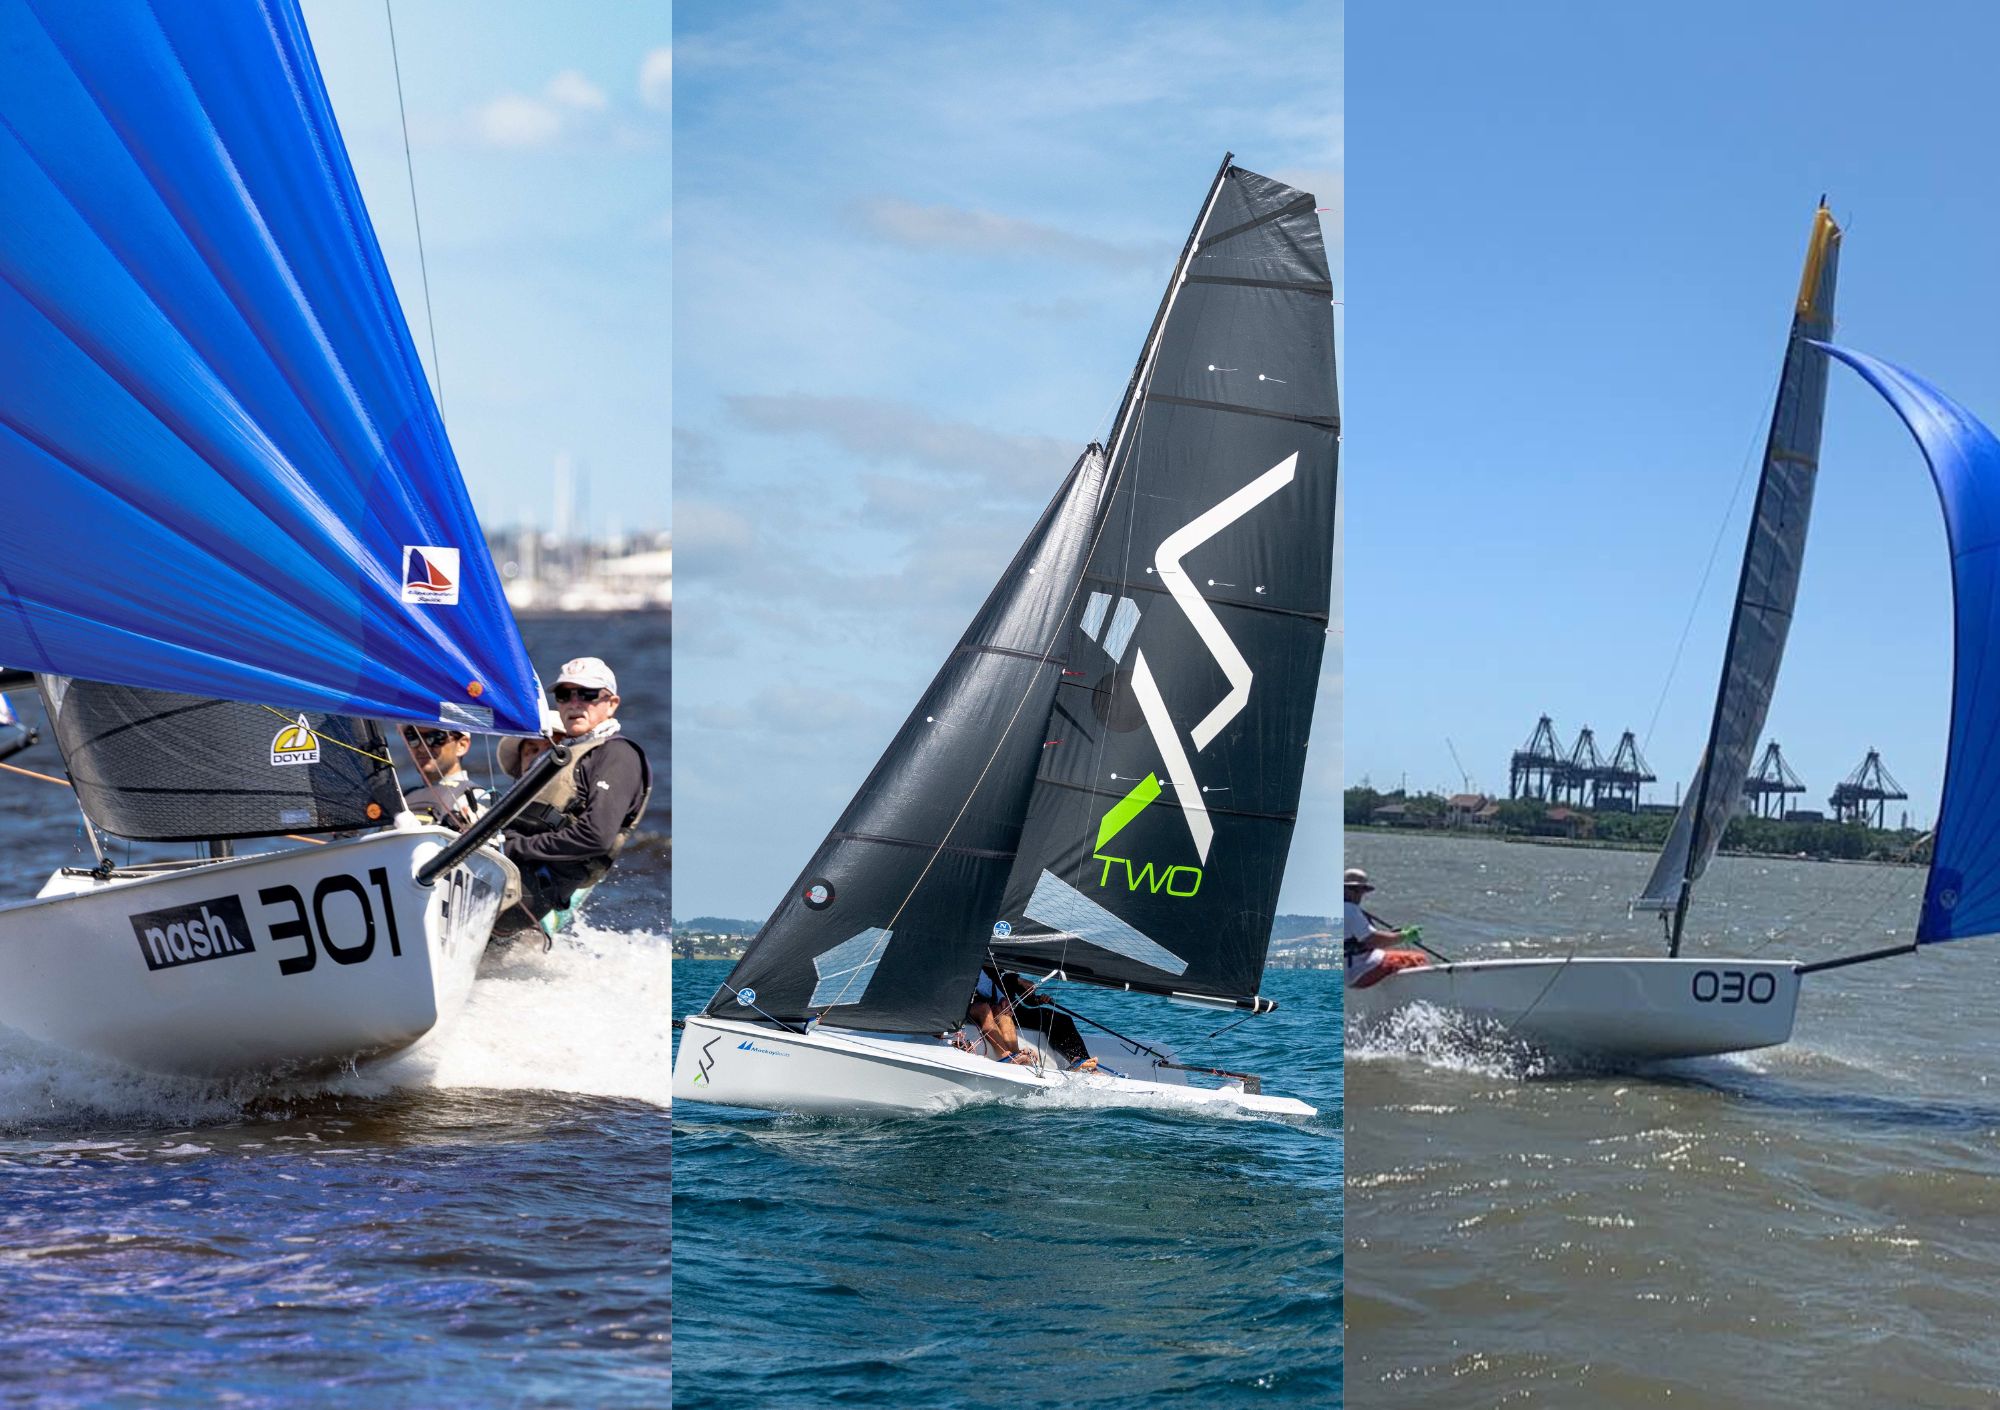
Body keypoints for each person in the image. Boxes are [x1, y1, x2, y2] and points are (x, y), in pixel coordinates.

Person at [497, 656, 652, 938]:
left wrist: (516, 849)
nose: (575, 703)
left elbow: (596, 835)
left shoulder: (617, 754)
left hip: (531, 886)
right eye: (564, 695)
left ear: (612, 703)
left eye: (588, 694)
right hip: (507, 871)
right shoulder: (563, 753)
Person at [1344, 867, 1430, 988]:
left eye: (1361, 890)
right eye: (1354, 889)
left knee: (1393, 956)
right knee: (1419, 959)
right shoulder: (1350, 909)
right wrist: (1403, 936)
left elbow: (1354, 941)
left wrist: (1391, 935)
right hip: (1358, 971)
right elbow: (1371, 940)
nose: (1358, 894)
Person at [401, 724, 486, 830]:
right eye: (412, 737)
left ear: (461, 745)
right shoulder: (404, 799)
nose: (422, 748)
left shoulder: (477, 798)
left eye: (435, 737)